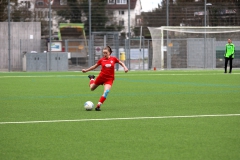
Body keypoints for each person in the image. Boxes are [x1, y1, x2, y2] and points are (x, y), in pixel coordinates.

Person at [82, 46, 128, 111]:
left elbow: (121, 62)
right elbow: (94, 66)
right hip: (101, 77)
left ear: (109, 53)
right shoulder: (101, 60)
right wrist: (86, 70)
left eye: (106, 53)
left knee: (106, 91)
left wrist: (125, 67)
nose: (104, 54)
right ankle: (92, 78)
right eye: (103, 53)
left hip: (109, 79)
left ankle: (98, 106)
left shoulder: (114, 59)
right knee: (92, 88)